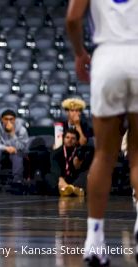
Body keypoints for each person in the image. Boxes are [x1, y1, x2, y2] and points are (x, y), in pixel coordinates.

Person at [67, 0, 138, 265]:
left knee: (104, 155)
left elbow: (73, 18)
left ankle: (94, 240)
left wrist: (79, 52)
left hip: (108, 57)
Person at [0, 109, 28, 193]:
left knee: (17, 155)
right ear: (2, 119)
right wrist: (6, 148)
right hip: (2, 151)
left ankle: (17, 182)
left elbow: (22, 147)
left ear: (15, 119)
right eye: (6, 119)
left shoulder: (22, 130)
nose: (8, 121)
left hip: (16, 151)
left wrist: (12, 134)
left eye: (11, 119)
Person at [45, 128, 88, 197]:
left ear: (77, 141)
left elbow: (81, 169)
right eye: (67, 137)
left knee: (85, 174)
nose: (70, 140)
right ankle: (68, 190)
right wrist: (60, 178)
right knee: (48, 176)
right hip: (61, 179)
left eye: (73, 138)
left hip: (74, 179)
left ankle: (72, 189)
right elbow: (55, 168)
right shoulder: (56, 152)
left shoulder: (80, 152)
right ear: (63, 139)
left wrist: (77, 164)